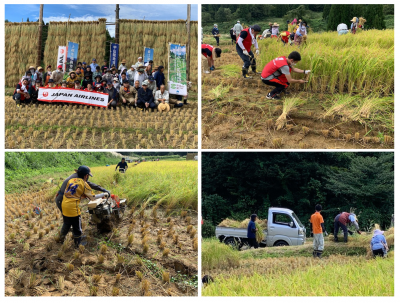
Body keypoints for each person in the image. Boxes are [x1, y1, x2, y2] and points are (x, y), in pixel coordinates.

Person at [59, 166, 109, 247]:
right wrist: (104, 194)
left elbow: (71, 193)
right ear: (86, 175)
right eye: (88, 176)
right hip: (73, 208)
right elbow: (93, 198)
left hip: (64, 205)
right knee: (77, 227)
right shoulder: (84, 183)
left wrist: (82, 196)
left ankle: (61, 238)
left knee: (67, 223)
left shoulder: (71, 180)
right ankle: (78, 244)